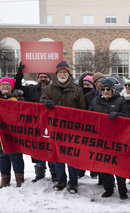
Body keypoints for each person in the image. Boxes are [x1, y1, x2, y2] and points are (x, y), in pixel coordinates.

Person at [40, 61, 86, 193]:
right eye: (60, 72)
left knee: (71, 156)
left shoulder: (77, 89)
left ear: (68, 74)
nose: (62, 74)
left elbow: (82, 109)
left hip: (71, 129)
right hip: (55, 129)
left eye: (64, 72)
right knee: (58, 156)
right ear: (56, 74)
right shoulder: (48, 88)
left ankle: (73, 182)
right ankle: (61, 180)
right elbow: (41, 103)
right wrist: (45, 103)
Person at [14, 64, 57, 183]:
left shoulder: (55, 90)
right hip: (35, 126)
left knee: (51, 150)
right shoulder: (30, 89)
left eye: (46, 77)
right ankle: (39, 173)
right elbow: (16, 86)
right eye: (41, 77)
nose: (43, 79)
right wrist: (20, 72)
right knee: (37, 150)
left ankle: (54, 173)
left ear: (50, 79)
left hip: (51, 125)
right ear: (37, 79)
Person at [89, 78, 130, 200]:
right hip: (101, 139)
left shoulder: (120, 101)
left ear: (112, 90)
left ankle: (123, 190)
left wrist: (118, 115)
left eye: (108, 89)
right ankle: (108, 188)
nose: (105, 91)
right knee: (104, 165)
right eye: (103, 89)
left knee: (118, 165)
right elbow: (89, 117)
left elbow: (127, 117)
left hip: (117, 138)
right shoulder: (95, 102)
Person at [0, 77, 25, 188]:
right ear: (0, 86)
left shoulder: (19, 98)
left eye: (8, 85)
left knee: (15, 156)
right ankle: (5, 179)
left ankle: (19, 178)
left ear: (12, 87)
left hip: (13, 132)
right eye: (3, 84)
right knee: (3, 156)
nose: (5, 87)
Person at [76, 72, 98, 179]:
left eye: (88, 85)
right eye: (84, 85)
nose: (86, 87)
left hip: (95, 127)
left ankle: (94, 171)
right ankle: (81, 170)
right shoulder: (81, 95)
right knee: (83, 150)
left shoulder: (96, 96)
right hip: (83, 126)